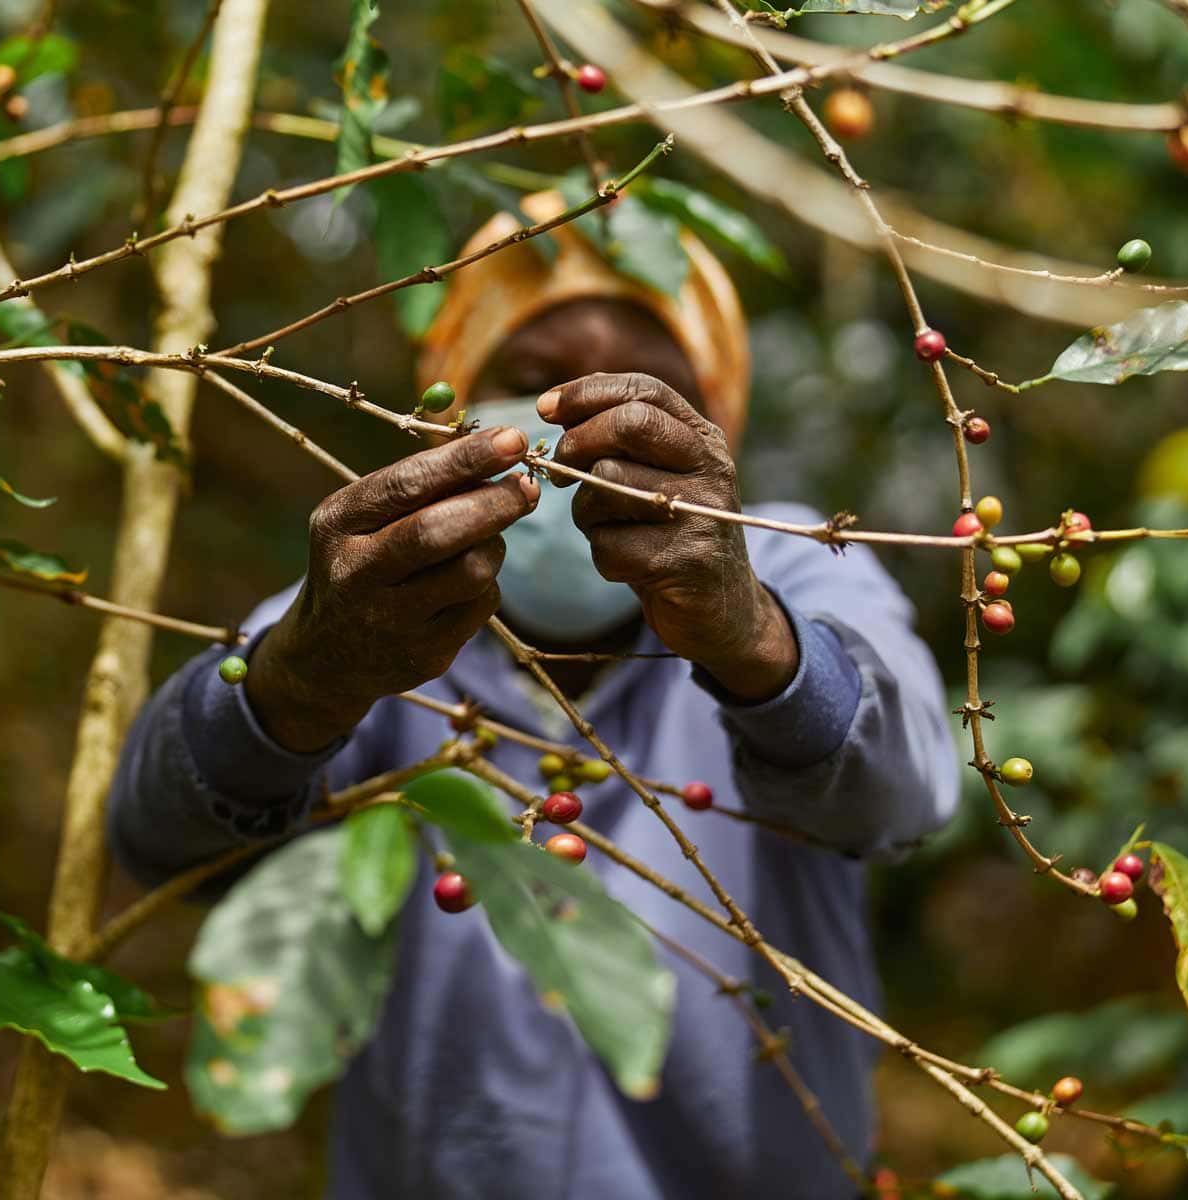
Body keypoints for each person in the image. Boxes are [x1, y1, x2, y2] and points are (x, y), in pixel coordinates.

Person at [107, 192, 958, 1198]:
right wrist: (306, 677)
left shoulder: (795, 562)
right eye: (534, 384)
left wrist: (749, 634)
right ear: (449, 408)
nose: (586, 429)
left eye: (643, 395)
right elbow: (157, 833)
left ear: (712, 434)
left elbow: (907, 790)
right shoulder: (370, 601)